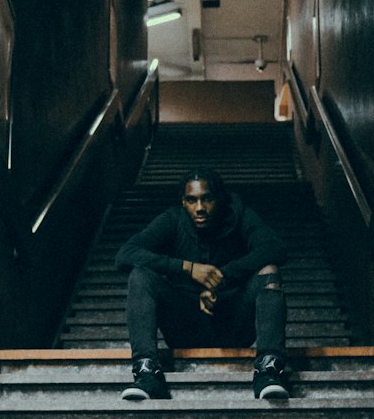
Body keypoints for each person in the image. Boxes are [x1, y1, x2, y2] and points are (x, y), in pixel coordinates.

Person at [114, 169, 290, 401]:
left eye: (206, 199)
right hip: (184, 326)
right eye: (191, 200)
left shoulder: (239, 215)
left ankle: (268, 370)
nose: (199, 208)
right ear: (183, 202)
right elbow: (125, 254)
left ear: (220, 199)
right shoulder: (173, 220)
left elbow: (275, 248)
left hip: (233, 324)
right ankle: (147, 373)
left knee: (269, 271)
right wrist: (187, 268)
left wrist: (221, 279)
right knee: (140, 275)